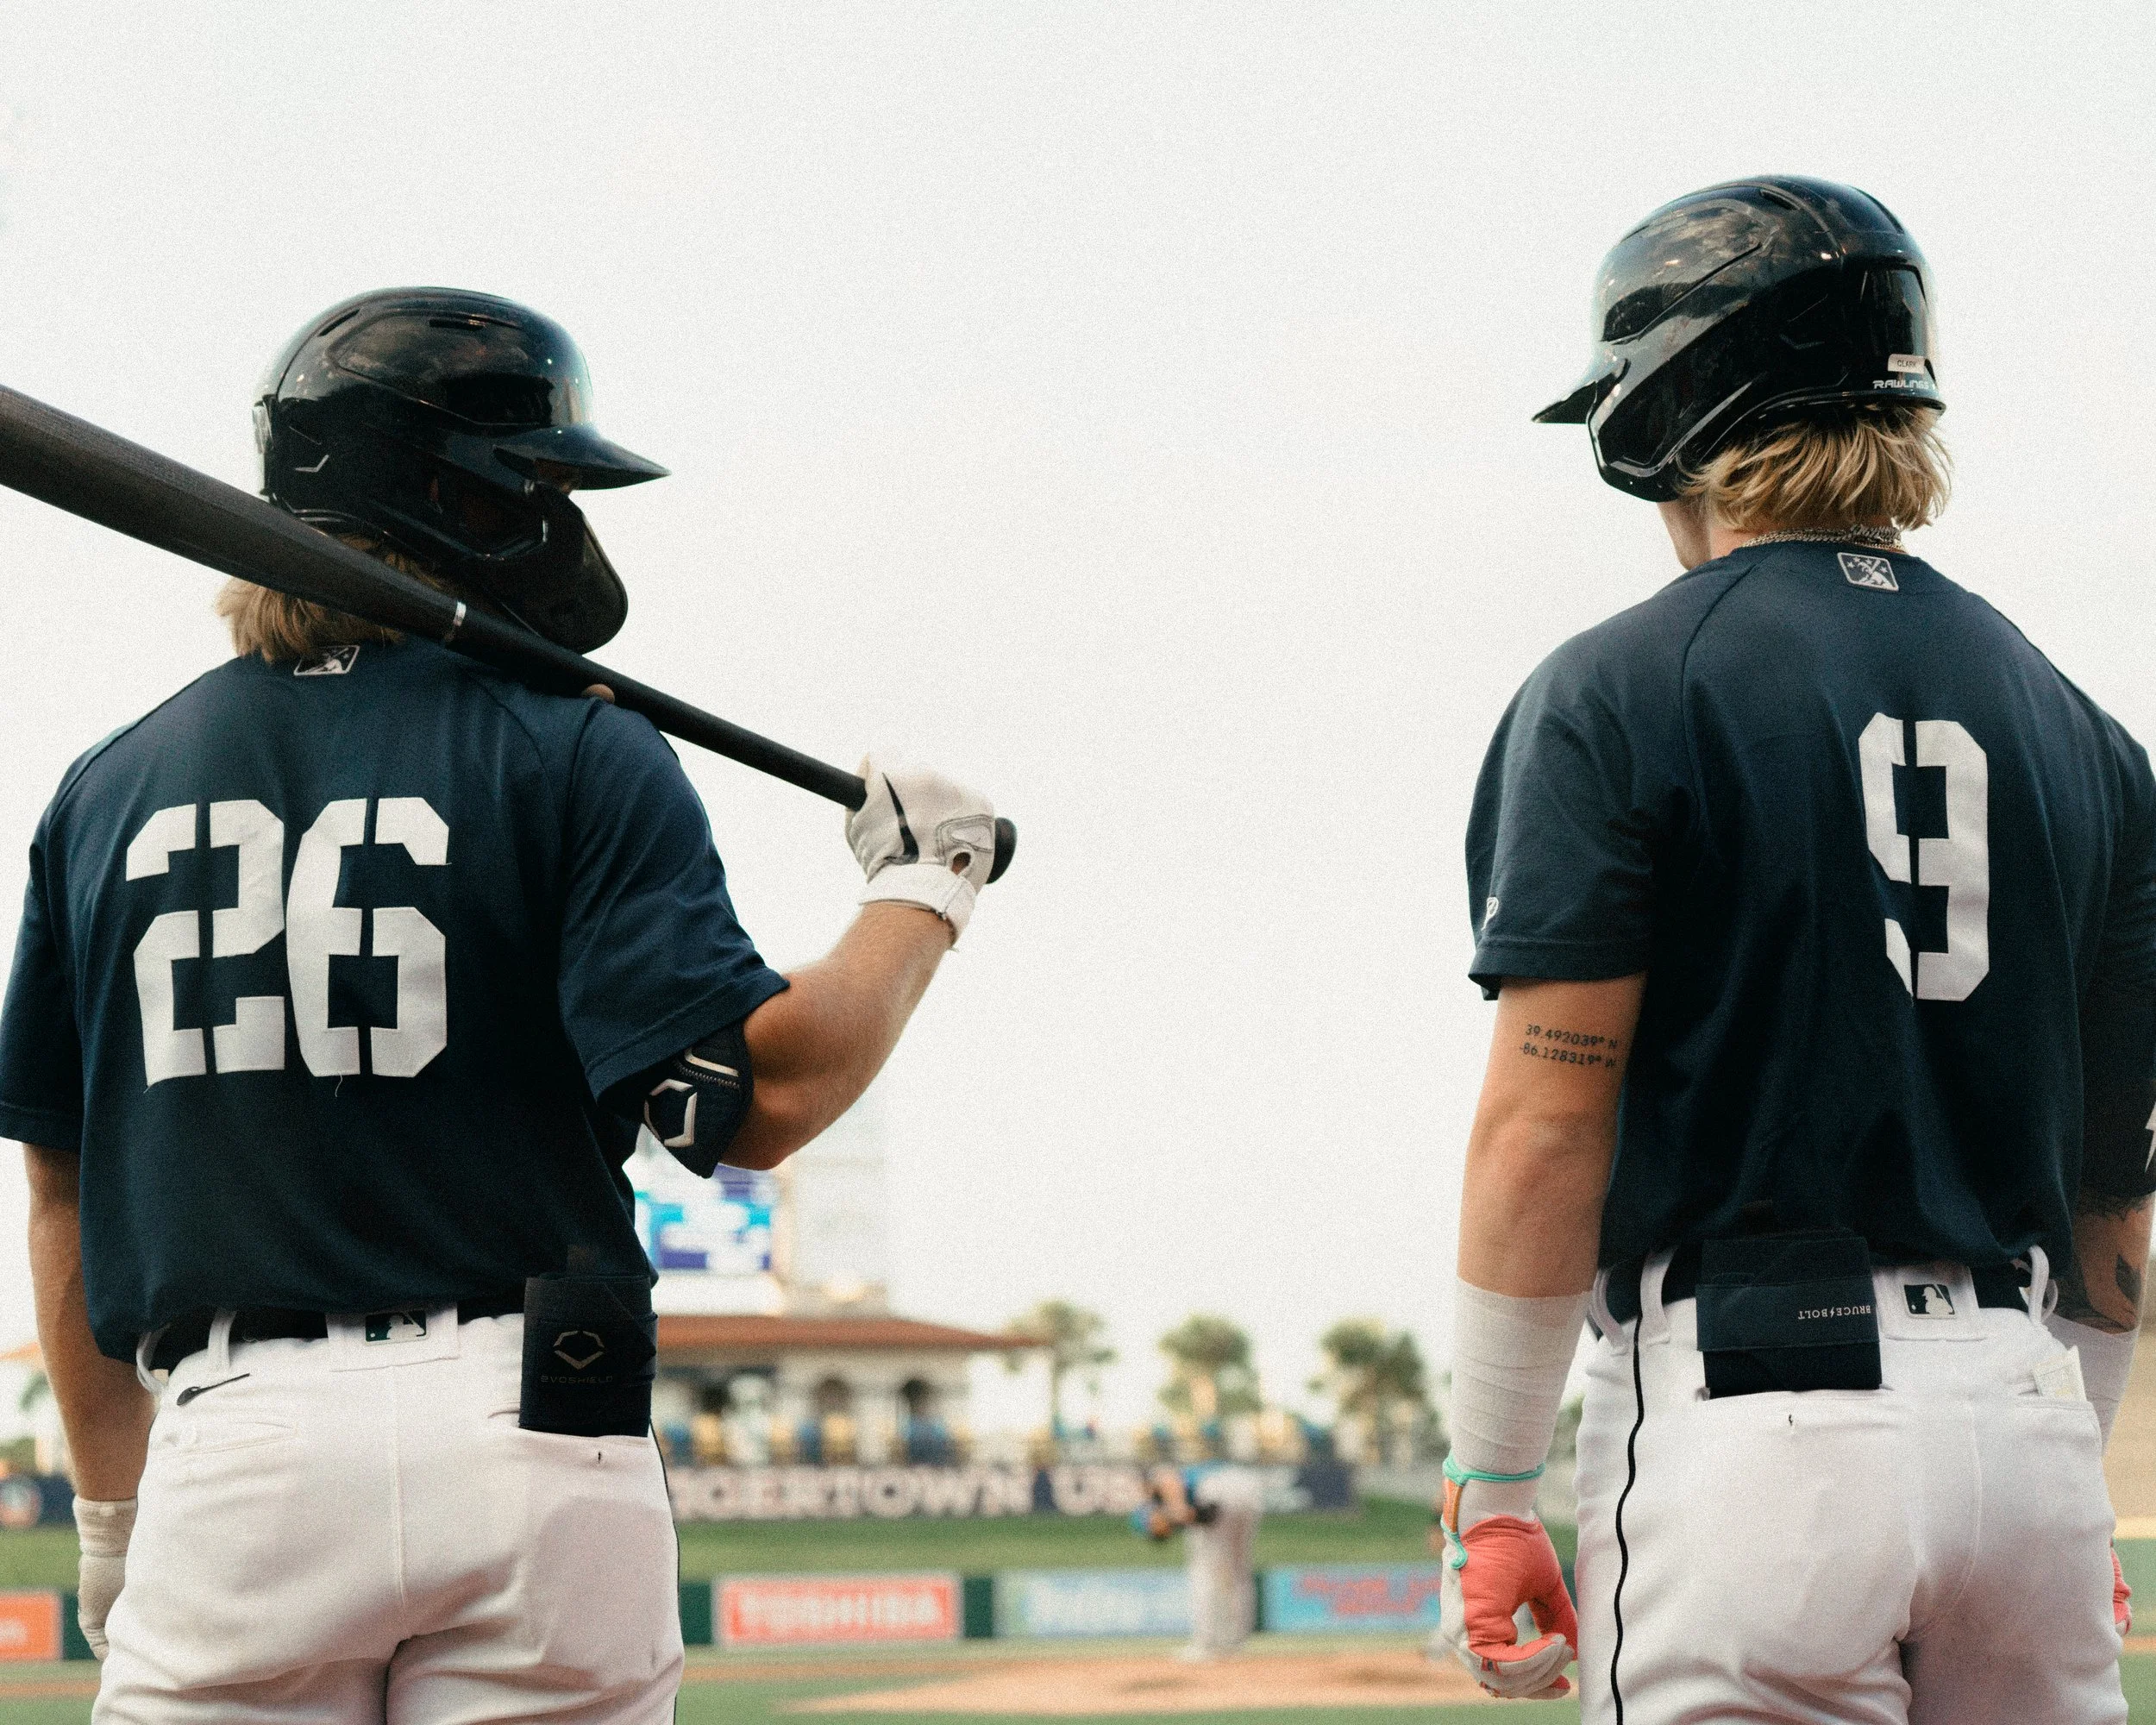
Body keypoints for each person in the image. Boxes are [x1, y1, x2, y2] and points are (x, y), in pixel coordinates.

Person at [0, 286, 1002, 1722]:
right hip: (536, 1434)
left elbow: (65, 1198)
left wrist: (109, 1516)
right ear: (463, 503)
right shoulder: (579, 751)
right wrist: (924, 891)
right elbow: (757, 1101)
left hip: (238, 1444)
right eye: (540, 483)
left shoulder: (106, 792)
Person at [1437, 178, 2153, 1722]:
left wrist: (1492, 1481)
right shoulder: (2084, 729)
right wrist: (2066, 1472)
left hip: (1755, 1413)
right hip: (2026, 1422)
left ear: (1665, 415)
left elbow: (1546, 1125)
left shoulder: (1622, 688)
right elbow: (2118, 1183)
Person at [1137, 1461, 1263, 1659]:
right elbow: (1202, 1515)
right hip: (1247, 1487)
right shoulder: (1164, 1507)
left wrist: (1177, 1510)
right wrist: (1181, 1513)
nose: (1160, 1530)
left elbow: (1167, 1478)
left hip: (1215, 1487)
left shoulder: (1151, 1496)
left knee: (1204, 1574)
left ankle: (1205, 1644)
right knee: (1238, 1573)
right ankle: (1235, 1642)